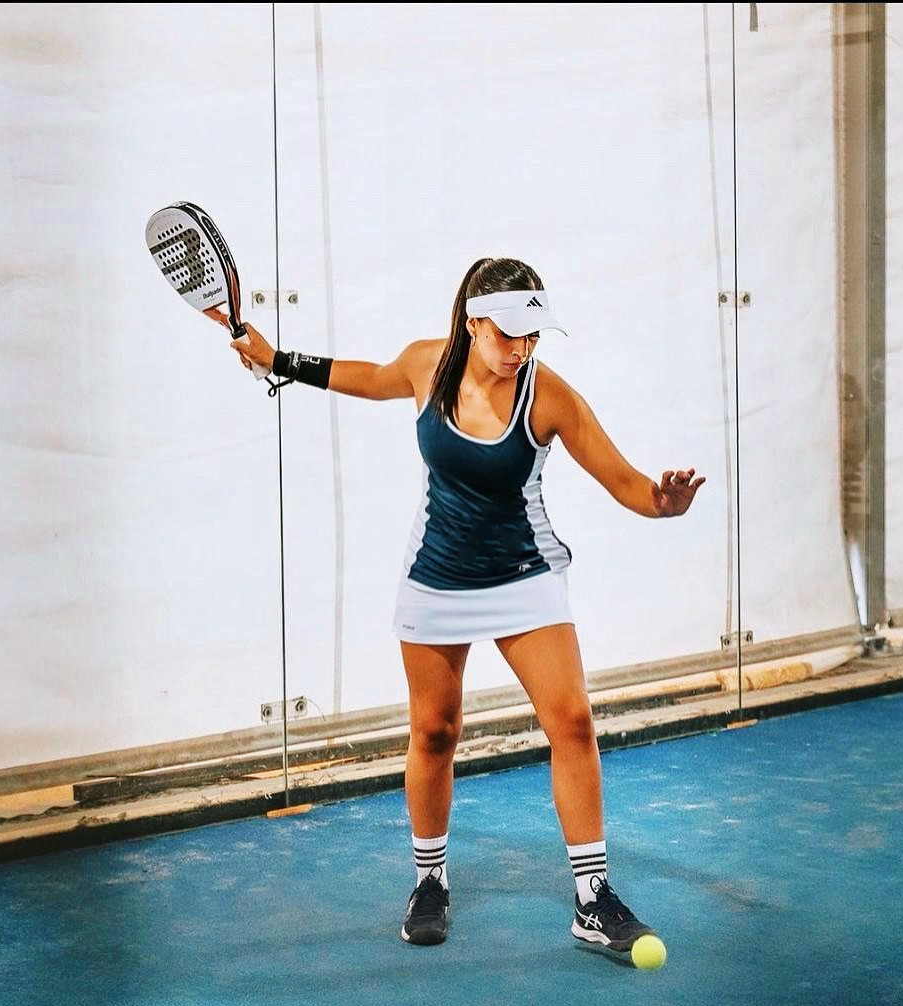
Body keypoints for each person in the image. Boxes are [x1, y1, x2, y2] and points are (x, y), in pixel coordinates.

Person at [210, 257, 705, 960]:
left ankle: (593, 899)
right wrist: (276, 359)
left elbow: (626, 482)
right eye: (507, 333)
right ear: (473, 322)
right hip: (437, 577)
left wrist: (665, 503)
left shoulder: (549, 396)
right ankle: (430, 881)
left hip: (524, 576)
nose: (520, 347)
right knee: (436, 731)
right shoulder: (427, 365)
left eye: (532, 335)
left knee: (572, 721)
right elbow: (367, 377)